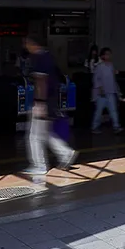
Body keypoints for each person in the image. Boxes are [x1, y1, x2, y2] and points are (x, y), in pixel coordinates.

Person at [23, 34, 76, 181]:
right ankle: (65, 153)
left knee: (34, 136)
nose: (26, 46)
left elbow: (41, 81)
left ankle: (39, 165)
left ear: (34, 43)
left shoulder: (40, 59)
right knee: (45, 133)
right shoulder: (50, 57)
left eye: (27, 42)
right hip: (52, 101)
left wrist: (40, 103)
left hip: (43, 102)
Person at [91, 47, 121, 134]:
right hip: (102, 93)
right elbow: (96, 79)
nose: (109, 55)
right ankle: (94, 127)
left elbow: (113, 80)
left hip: (110, 91)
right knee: (99, 111)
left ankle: (116, 126)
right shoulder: (100, 67)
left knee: (113, 110)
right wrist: (100, 89)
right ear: (103, 56)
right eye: (107, 54)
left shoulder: (111, 66)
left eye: (109, 54)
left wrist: (117, 90)